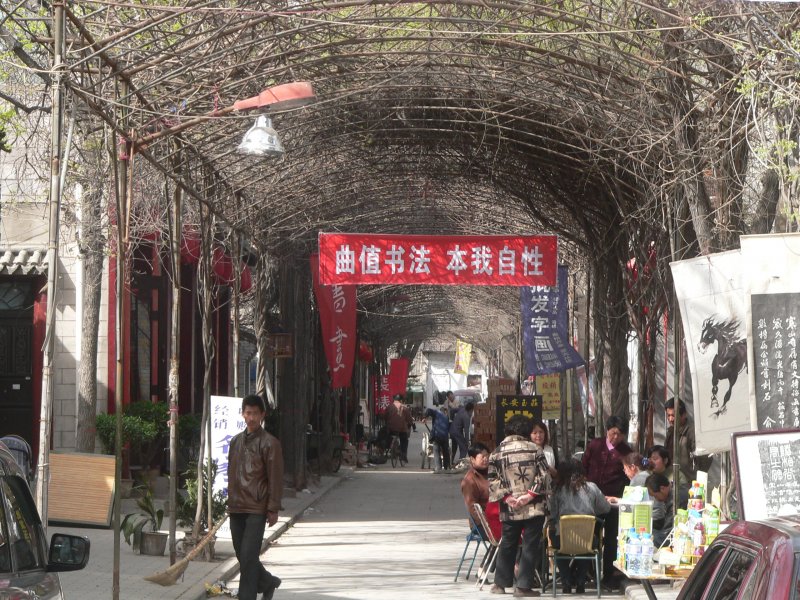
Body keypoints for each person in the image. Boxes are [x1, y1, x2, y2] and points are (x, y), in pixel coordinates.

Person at [227, 394, 284, 600]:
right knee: (243, 556)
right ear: (243, 414)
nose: (251, 417)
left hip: (256, 508)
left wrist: (273, 507)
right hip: (236, 507)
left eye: (255, 413)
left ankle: (247, 596)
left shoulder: (270, 443)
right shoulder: (235, 442)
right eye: (248, 413)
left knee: (249, 556)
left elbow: (275, 478)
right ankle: (268, 582)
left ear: (262, 415)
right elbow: (231, 474)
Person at [488, 414, 551, 597]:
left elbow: (492, 480)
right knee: (530, 545)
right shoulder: (535, 450)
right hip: (534, 507)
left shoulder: (497, 452)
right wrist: (529, 495)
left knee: (508, 543)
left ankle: (500, 584)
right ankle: (523, 586)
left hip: (510, 508)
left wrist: (508, 498)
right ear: (526, 431)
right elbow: (544, 476)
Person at [581, 415, 632, 588]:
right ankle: (586, 573)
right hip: (591, 500)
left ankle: (609, 576)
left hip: (613, 501)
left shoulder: (626, 451)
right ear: (607, 431)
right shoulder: (595, 445)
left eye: (619, 434)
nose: (615, 437)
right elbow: (584, 466)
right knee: (589, 536)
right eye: (612, 433)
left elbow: (627, 478)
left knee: (611, 538)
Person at [549, 459, 611, 594]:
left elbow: (553, 514)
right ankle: (580, 582)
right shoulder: (592, 487)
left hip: (563, 540)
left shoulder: (557, 490)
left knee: (556, 542)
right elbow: (605, 508)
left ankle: (566, 581)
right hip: (586, 540)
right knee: (588, 546)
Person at [461, 442, 502, 541]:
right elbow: (473, 509)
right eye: (482, 457)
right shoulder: (469, 481)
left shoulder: (493, 473)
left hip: (498, 517)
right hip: (482, 524)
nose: (486, 459)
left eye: (487, 456)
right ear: (472, 459)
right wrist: (487, 523)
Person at [665, 398, 709, 482]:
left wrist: (695, 477)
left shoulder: (692, 433)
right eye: (668, 415)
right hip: (671, 480)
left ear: (684, 415)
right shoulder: (670, 431)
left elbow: (705, 458)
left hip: (688, 482)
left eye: (673, 415)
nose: (670, 419)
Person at [645, 473, 689, 547]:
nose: (656, 499)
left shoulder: (675, 499)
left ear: (662, 488)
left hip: (678, 537)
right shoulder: (674, 491)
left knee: (649, 535)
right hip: (673, 531)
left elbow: (668, 532)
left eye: (655, 496)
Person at [385, 394, 415, 463]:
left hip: (391, 429)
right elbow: (409, 419)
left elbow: (385, 417)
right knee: (404, 440)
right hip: (401, 429)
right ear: (401, 400)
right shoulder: (404, 408)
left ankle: (389, 448)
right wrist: (411, 425)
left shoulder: (389, 407)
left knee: (389, 435)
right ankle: (403, 455)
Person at [424, 407, 451, 472]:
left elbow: (428, 410)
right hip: (445, 436)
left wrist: (425, 417)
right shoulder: (446, 417)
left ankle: (438, 468)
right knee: (445, 451)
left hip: (437, 435)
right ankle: (446, 467)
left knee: (436, 451)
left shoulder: (436, 412)